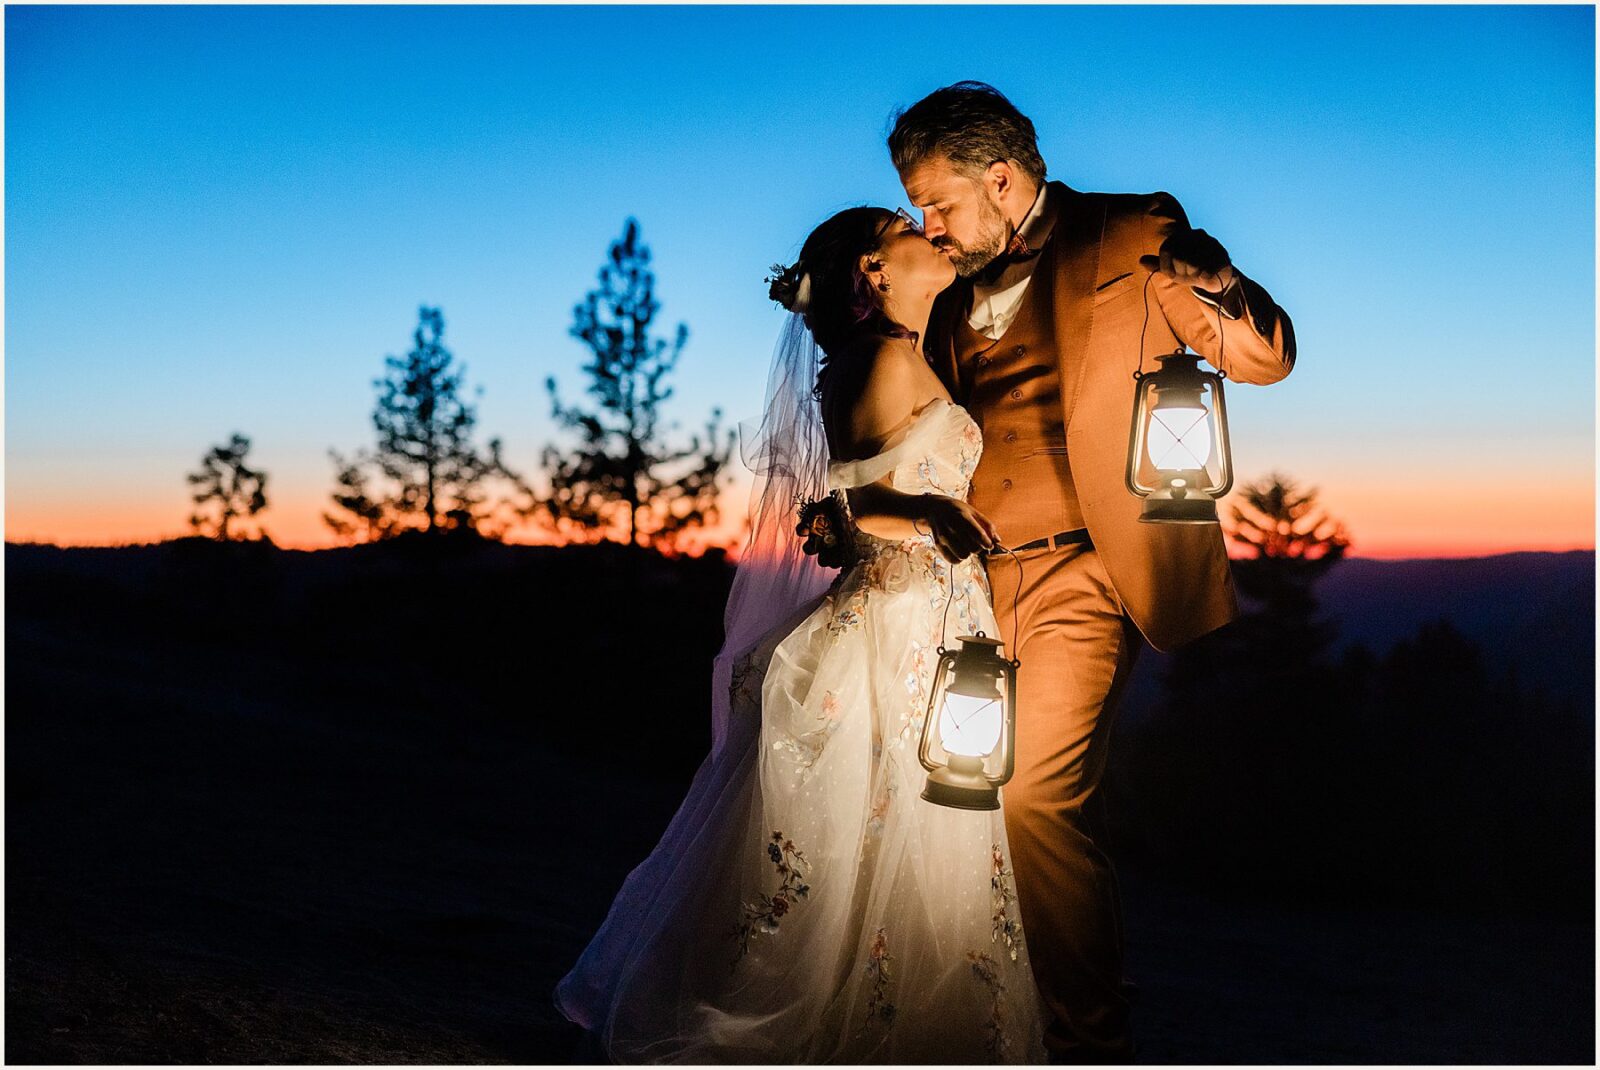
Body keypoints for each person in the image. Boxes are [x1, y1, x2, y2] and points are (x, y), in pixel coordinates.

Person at [553, 205, 1049, 1063]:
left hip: (938, 611)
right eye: (904, 225)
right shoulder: (879, 357)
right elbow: (859, 499)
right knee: (872, 815)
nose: (926, 228)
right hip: (894, 623)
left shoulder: (905, 353)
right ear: (873, 271)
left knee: (923, 824)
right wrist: (930, 513)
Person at [886, 81, 1298, 1063]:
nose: (926, 224)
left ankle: (1088, 1039)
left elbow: (1262, 359)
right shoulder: (946, 284)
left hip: (1085, 569)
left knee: (1033, 794)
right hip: (964, 588)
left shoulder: (1132, 230)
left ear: (1000, 177)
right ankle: (992, 1024)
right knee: (948, 801)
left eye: (937, 201)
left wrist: (1223, 286)